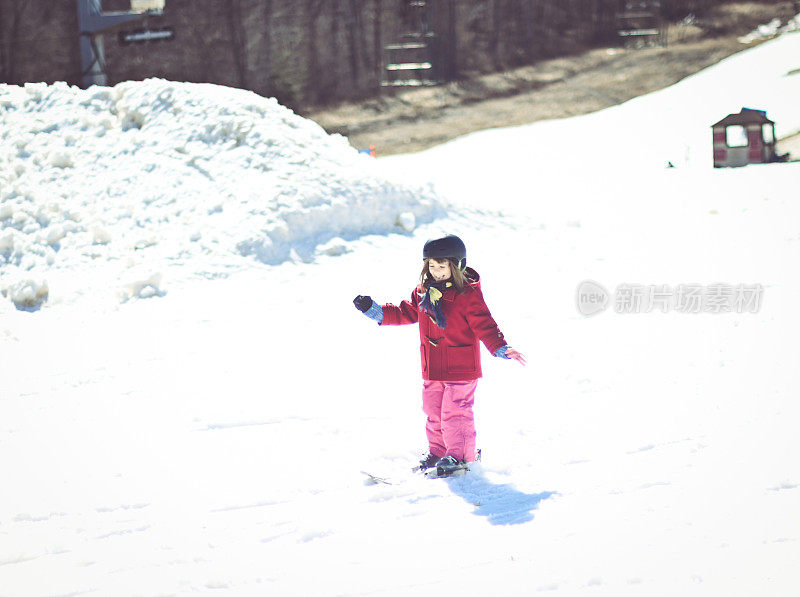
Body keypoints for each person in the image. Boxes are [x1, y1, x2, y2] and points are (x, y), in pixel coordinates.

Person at [353, 234, 526, 475]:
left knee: (455, 412)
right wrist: (375, 311)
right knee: (433, 411)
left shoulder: (467, 294)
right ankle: (439, 451)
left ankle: (461, 456)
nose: (436, 271)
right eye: (431, 266)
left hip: (461, 367)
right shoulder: (423, 292)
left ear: (457, 266)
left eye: (442, 266)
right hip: (432, 366)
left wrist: (500, 347)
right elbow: (406, 312)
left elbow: (484, 324)